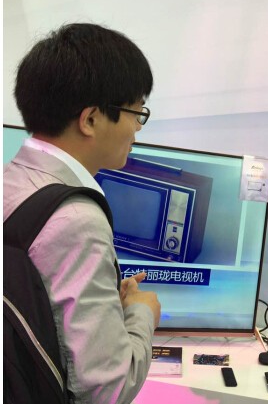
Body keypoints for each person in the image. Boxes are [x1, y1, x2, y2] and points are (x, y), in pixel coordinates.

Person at [4, 23, 162, 403]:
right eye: (136, 112)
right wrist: (141, 314)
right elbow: (106, 390)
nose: (137, 129)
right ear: (90, 119)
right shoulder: (77, 219)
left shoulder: (11, 181)